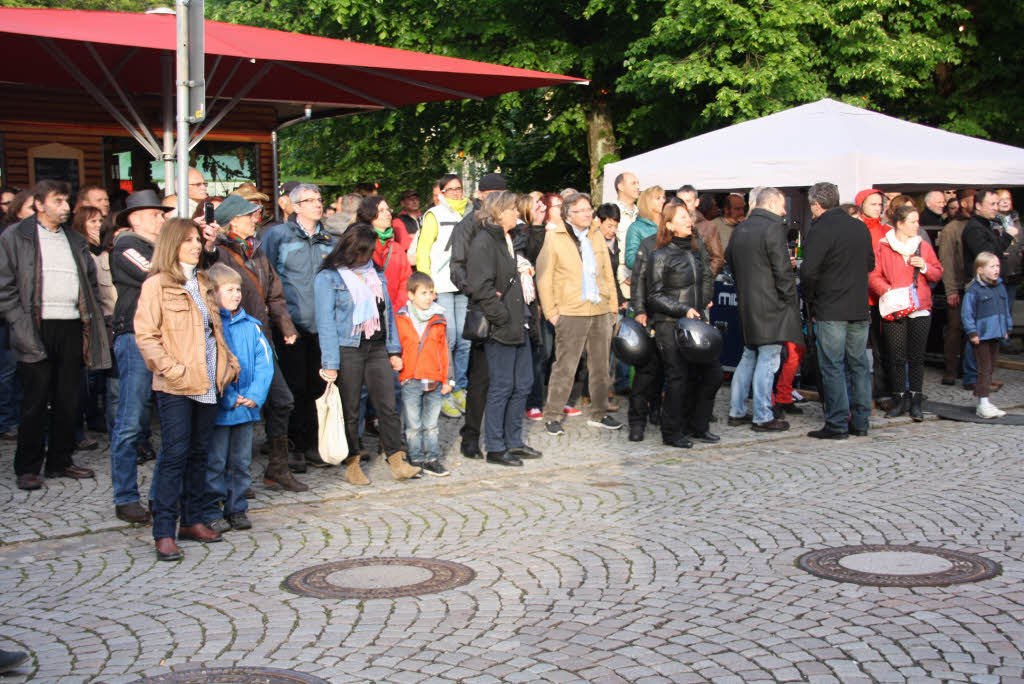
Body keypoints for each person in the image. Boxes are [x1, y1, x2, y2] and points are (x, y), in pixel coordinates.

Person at [133, 218, 240, 561]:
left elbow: (214, 332)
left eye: (197, 240)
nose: (196, 245)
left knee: (199, 452)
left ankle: (192, 519)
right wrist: (171, 370)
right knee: (174, 455)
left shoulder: (204, 281)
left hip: (208, 380)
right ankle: (164, 530)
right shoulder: (157, 285)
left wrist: (228, 365)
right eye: (188, 241)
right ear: (172, 244)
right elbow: (147, 337)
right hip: (177, 384)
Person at [0, 180, 111, 492]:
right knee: (35, 401)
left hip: (72, 325)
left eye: (66, 201)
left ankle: (61, 459)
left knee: (68, 398)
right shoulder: (16, 236)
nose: (66, 207)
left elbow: (89, 281)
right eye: (58, 201)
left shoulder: (74, 239)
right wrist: (20, 325)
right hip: (34, 325)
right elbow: (4, 286)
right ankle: (27, 466)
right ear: (39, 204)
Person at [208, 194, 307, 490]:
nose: (256, 219)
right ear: (233, 220)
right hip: (230, 341)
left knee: (282, 400)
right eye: (251, 214)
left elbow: (274, 294)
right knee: (234, 407)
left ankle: (276, 469)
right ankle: (232, 478)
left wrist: (285, 325)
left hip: (260, 339)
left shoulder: (257, 250)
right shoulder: (219, 253)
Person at [314, 225, 421, 486]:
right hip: (347, 348)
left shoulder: (376, 274)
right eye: (362, 251)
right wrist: (330, 363)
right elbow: (325, 322)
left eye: (369, 252)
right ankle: (352, 463)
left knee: (388, 404)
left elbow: (388, 316)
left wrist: (394, 350)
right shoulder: (328, 278)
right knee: (350, 409)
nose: (366, 257)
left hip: (376, 347)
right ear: (350, 248)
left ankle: (396, 459)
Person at [107, 190, 173, 521]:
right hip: (134, 338)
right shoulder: (126, 246)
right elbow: (159, 279)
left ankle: (160, 495)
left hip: (163, 339)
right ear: (134, 218)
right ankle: (125, 496)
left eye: (162, 215)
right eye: (154, 214)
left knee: (169, 423)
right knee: (131, 421)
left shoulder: (159, 249)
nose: (162, 219)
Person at [261, 183, 335, 468]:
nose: (318, 204)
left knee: (319, 385)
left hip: (323, 326)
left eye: (319, 199)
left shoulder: (329, 238)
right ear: (295, 207)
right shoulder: (278, 236)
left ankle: (314, 444)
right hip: (290, 324)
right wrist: (278, 319)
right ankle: (290, 446)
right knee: (294, 387)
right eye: (310, 200)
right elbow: (267, 277)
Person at [537, 193, 622, 436]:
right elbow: (544, 277)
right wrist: (552, 312)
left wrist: (612, 306)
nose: (588, 214)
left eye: (589, 209)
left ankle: (600, 412)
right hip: (570, 311)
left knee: (600, 366)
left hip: (599, 308)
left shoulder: (596, 235)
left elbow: (607, 272)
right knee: (565, 365)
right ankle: (552, 414)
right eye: (582, 210)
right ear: (568, 214)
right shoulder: (554, 238)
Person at [467, 191, 542, 466]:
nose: (516, 213)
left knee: (522, 385)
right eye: (512, 209)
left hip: (518, 322)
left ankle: (514, 441)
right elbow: (481, 287)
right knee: (502, 387)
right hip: (502, 326)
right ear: (498, 213)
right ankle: (496, 448)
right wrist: (501, 317)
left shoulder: (508, 239)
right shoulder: (484, 242)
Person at [202, 264, 274, 532]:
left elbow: (265, 363)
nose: (236, 295)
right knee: (216, 462)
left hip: (246, 409)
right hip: (223, 409)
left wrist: (255, 395)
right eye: (229, 289)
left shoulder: (251, 327)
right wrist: (228, 396)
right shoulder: (211, 327)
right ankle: (212, 508)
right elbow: (213, 364)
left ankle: (237, 507)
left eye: (238, 289)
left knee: (241, 462)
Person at [800, 182, 874, 440]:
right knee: (859, 365)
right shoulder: (859, 226)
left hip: (831, 307)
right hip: (858, 305)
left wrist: (810, 298)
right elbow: (870, 263)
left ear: (816, 205)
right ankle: (861, 420)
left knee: (832, 365)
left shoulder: (820, 229)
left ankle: (837, 422)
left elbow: (808, 272)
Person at [725, 187, 802, 432]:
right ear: (770, 205)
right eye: (781, 206)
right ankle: (762, 415)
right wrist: (790, 300)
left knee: (748, 357)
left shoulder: (741, 229)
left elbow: (731, 263)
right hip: (771, 306)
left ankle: (736, 411)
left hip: (748, 303)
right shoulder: (772, 228)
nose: (784, 211)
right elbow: (782, 271)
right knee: (768, 360)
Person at [446, 172, 511, 453]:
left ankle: (505, 436)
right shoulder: (468, 226)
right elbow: (456, 268)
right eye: (493, 195)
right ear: (482, 196)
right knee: (481, 377)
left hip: (513, 308)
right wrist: (479, 291)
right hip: (484, 308)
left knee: (511, 378)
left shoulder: (513, 224)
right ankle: (470, 436)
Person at [645, 203, 717, 448]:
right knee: (678, 377)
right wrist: (683, 308)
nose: (689, 220)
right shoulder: (660, 256)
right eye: (683, 217)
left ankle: (697, 426)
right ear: (669, 225)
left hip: (695, 322)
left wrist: (703, 305)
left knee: (710, 375)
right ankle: (672, 432)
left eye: (689, 216)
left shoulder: (696, 251)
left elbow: (706, 278)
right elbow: (653, 295)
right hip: (670, 324)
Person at [868, 205, 943, 421]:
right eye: (912, 221)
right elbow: (874, 275)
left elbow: (938, 273)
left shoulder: (923, 246)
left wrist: (926, 268)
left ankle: (916, 401)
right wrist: (888, 291)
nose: (916, 226)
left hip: (919, 306)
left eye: (917, 221)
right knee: (896, 357)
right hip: (895, 307)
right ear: (899, 224)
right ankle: (899, 399)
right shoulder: (883, 247)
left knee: (917, 357)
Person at [417, 173, 473, 419]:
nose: (456, 193)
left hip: (465, 284)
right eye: (450, 189)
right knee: (447, 339)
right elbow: (423, 249)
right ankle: (444, 391)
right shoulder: (434, 214)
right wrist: (426, 284)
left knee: (466, 339)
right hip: (441, 284)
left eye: (458, 188)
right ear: (440, 192)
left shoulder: (470, 212)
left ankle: (460, 386)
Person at [961, 189, 1019, 391]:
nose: (996, 208)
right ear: (978, 205)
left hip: (991, 285)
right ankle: (972, 377)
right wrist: (1007, 238)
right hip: (979, 287)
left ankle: (984, 375)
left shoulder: (987, 225)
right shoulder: (975, 229)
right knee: (977, 334)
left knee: (990, 333)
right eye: (992, 204)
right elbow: (986, 256)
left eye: (997, 204)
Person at [395, 272, 451, 476]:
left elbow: (445, 350)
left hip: (433, 378)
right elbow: (396, 347)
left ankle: (432, 458)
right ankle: (415, 457)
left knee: (431, 423)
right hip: (410, 378)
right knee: (413, 423)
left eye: (431, 292)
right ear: (411, 295)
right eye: (423, 293)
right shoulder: (402, 318)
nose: (429, 297)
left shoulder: (439, 319)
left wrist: (447, 378)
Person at [962, 252, 1012, 418]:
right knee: (984, 369)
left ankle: (985, 400)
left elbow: (1005, 309)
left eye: (997, 266)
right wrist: (972, 332)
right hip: (981, 336)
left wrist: (1007, 327)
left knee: (990, 368)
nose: (996, 269)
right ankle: (983, 403)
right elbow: (967, 314)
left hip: (996, 334)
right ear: (981, 270)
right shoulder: (974, 290)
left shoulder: (1000, 287)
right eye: (992, 266)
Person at [360, 195, 413, 310]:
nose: (388, 214)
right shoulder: (360, 244)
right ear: (369, 214)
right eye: (381, 210)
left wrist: (397, 307)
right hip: (368, 311)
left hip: (394, 310)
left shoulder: (396, 248)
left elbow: (406, 281)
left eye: (388, 210)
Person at [624, 186, 665, 272]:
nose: (663, 201)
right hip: (649, 279)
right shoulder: (636, 228)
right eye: (658, 198)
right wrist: (656, 262)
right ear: (648, 202)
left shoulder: (669, 224)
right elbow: (630, 260)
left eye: (663, 197)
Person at [612, 172, 641, 294]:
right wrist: (623, 275)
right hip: (621, 281)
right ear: (621, 187)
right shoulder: (611, 213)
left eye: (638, 183)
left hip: (642, 278)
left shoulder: (643, 212)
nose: (638, 187)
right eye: (633, 183)